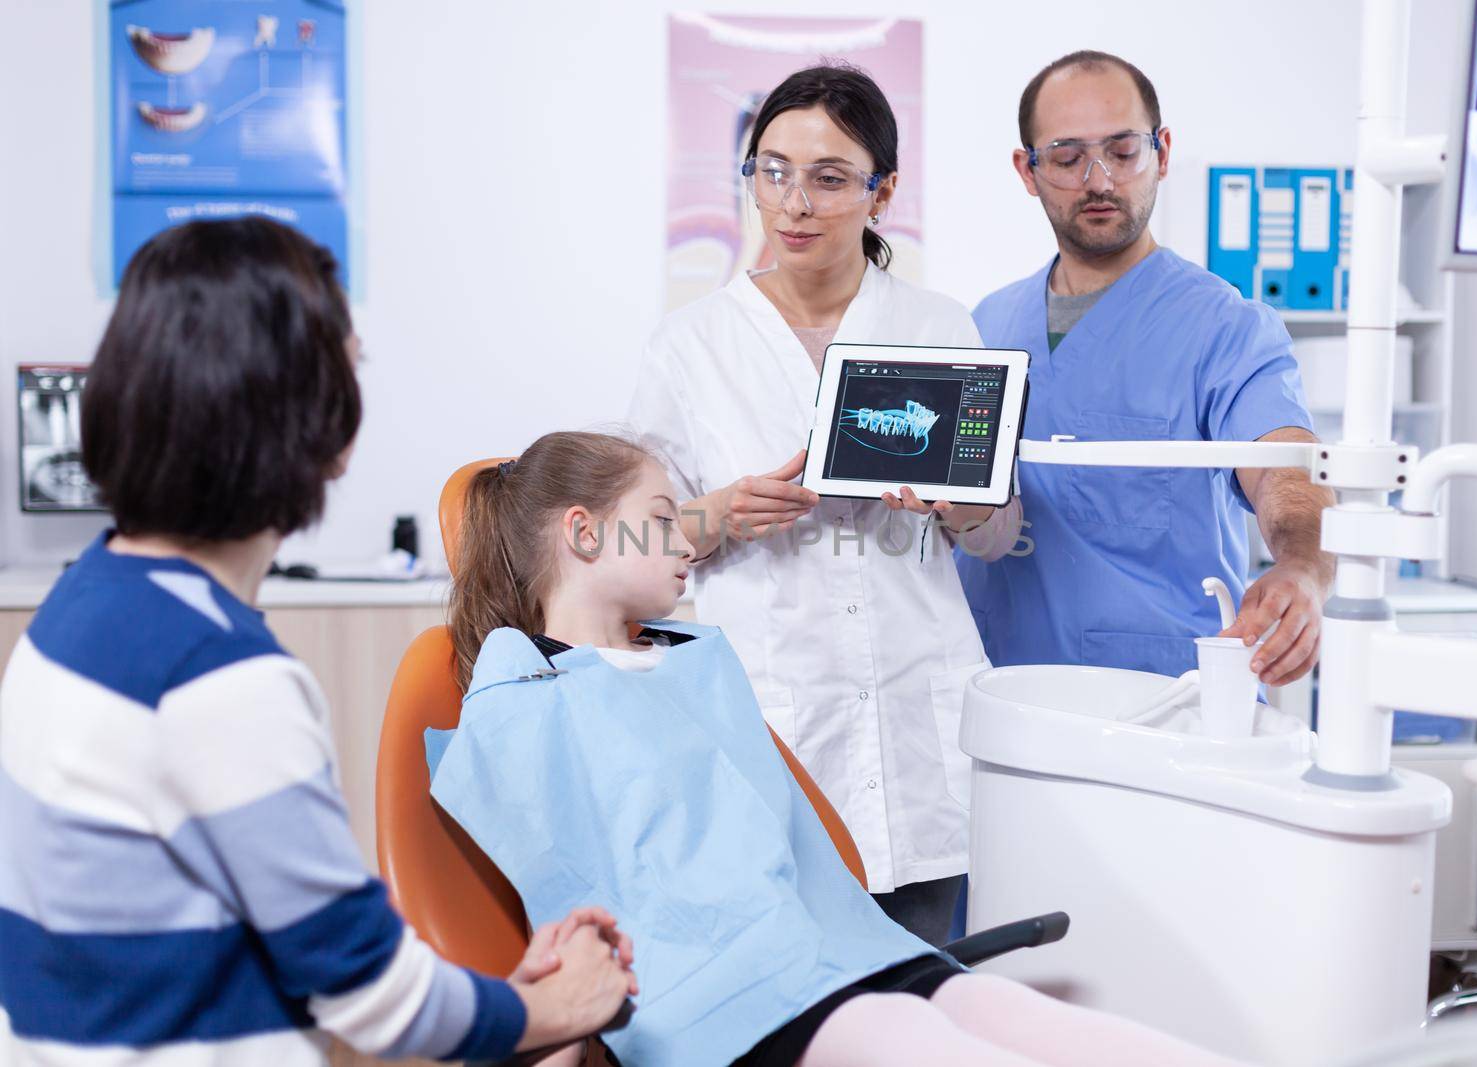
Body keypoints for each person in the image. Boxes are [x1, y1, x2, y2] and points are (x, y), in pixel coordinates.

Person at [0, 218, 634, 1066]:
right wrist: (555, 1007)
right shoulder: (217, 677)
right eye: (350, 360)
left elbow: (297, 944)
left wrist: (507, 998)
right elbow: (375, 1000)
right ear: (317, 423)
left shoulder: (77, 604)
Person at [430, 429, 1249, 1067]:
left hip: (839, 947)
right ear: (581, 534)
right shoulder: (523, 695)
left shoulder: (689, 657)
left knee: (1034, 1023)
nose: (687, 540)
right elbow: (571, 888)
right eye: (660, 521)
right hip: (728, 995)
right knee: (910, 1033)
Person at [628, 62, 1022, 945]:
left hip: (919, 727)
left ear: (882, 192)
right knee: (788, 996)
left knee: (918, 992)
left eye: (829, 178)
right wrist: (722, 510)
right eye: (772, 171)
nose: (795, 202)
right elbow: (638, 547)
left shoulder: (938, 328)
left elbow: (1000, 534)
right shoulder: (691, 346)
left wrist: (952, 508)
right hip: (774, 719)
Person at [957, 51, 1335, 687]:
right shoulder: (982, 327)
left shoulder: (1225, 328)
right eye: (1069, 156)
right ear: (1029, 169)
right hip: (996, 699)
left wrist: (1301, 566)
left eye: (1123, 151)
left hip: (1160, 702)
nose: (1099, 180)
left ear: (1161, 151)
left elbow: (1286, 467)